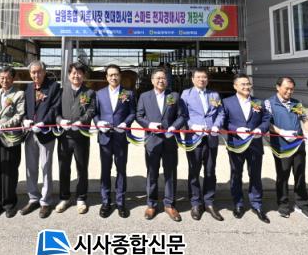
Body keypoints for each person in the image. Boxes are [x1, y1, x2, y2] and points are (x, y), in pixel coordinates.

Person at [136, 68, 187, 222]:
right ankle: (151, 204)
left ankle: (169, 204)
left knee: (170, 173)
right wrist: (148, 124)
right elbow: (139, 115)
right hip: (152, 141)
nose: (161, 80)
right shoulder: (144, 96)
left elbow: (182, 115)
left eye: (163, 78)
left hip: (170, 140)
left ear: (167, 80)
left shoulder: (174, 96)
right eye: (157, 78)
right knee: (152, 173)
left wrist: (175, 127)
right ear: (152, 81)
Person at [265, 76, 308, 222]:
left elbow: (305, 120)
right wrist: (281, 132)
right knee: (283, 175)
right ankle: (283, 205)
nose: (289, 91)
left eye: (292, 89)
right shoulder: (269, 103)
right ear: (278, 87)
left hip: (298, 144)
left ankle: (302, 205)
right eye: (286, 88)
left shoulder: (296, 103)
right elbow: (267, 123)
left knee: (300, 174)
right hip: (281, 146)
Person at [222, 73, 271, 223]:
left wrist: (260, 129)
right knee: (236, 174)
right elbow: (223, 121)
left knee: (255, 175)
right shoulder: (227, 102)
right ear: (235, 86)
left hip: (255, 145)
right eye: (242, 84)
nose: (246, 86)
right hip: (236, 144)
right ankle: (238, 203)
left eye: (248, 84)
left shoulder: (258, 102)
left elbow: (266, 119)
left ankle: (257, 205)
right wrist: (235, 129)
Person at [180, 67, 224, 221]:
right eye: (198, 77)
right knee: (194, 171)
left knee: (210, 171)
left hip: (211, 137)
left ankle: (209, 202)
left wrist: (217, 125)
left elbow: (220, 113)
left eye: (204, 77)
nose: (201, 80)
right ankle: (195, 203)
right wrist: (192, 126)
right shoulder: (186, 94)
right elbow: (183, 115)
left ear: (207, 79)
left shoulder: (214, 94)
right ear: (193, 79)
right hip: (194, 138)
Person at [94, 64, 136, 218]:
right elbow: (95, 113)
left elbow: (132, 112)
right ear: (106, 77)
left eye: (116, 74)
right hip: (105, 137)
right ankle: (105, 202)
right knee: (105, 170)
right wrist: (98, 123)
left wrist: (126, 123)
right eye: (110, 75)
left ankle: (120, 202)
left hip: (121, 137)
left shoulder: (128, 93)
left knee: (121, 170)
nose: (113, 77)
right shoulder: (99, 94)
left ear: (120, 76)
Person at [21, 60, 61, 218]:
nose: (36, 75)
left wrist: (44, 122)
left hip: (45, 133)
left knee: (45, 167)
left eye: (39, 72)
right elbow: (24, 108)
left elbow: (55, 108)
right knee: (30, 168)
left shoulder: (53, 87)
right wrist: (25, 119)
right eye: (33, 72)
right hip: (30, 133)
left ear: (44, 72)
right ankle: (33, 198)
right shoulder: (28, 87)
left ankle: (46, 201)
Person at [55, 62, 96, 214]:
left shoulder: (89, 92)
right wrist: (60, 120)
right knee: (63, 168)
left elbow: (91, 111)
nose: (76, 75)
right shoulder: (61, 91)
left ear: (83, 75)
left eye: (79, 73)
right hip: (64, 137)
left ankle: (81, 198)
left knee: (82, 168)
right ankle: (64, 197)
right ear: (68, 75)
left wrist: (82, 121)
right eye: (73, 73)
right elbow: (55, 111)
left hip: (81, 137)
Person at [0, 65, 25, 218]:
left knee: (9, 172)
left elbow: (19, 115)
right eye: (2, 78)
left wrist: (2, 127)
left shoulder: (19, 94)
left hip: (10, 138)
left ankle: (9, 204)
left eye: (8, 78)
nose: (4, 80)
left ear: (13, 79)